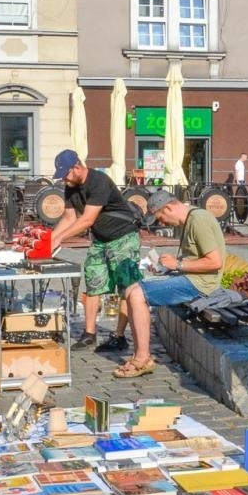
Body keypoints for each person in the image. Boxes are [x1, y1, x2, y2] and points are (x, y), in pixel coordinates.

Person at [46, 149, 153, 379]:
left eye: (65, 174)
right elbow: (69, 218)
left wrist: (59, 238)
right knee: (93, 279)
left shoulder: (99, 181)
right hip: (101, 240)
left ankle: (119, 335)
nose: (63, 179)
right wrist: (50, 239)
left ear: (77, 166)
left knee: (128, 288)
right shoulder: (70, 187)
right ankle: (89, 333)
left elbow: (87, 220)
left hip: (123, 237)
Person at [138, 190, 224, 307]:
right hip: (192, 279)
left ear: (168, 208)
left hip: (202, 285)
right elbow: (196, 256)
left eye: (160, 218)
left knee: (136, 294)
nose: (162, 224)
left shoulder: (198, 220)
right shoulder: (189, 218)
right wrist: (169, 265)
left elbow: (215, 262)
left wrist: (177, 264)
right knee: (132, 288)